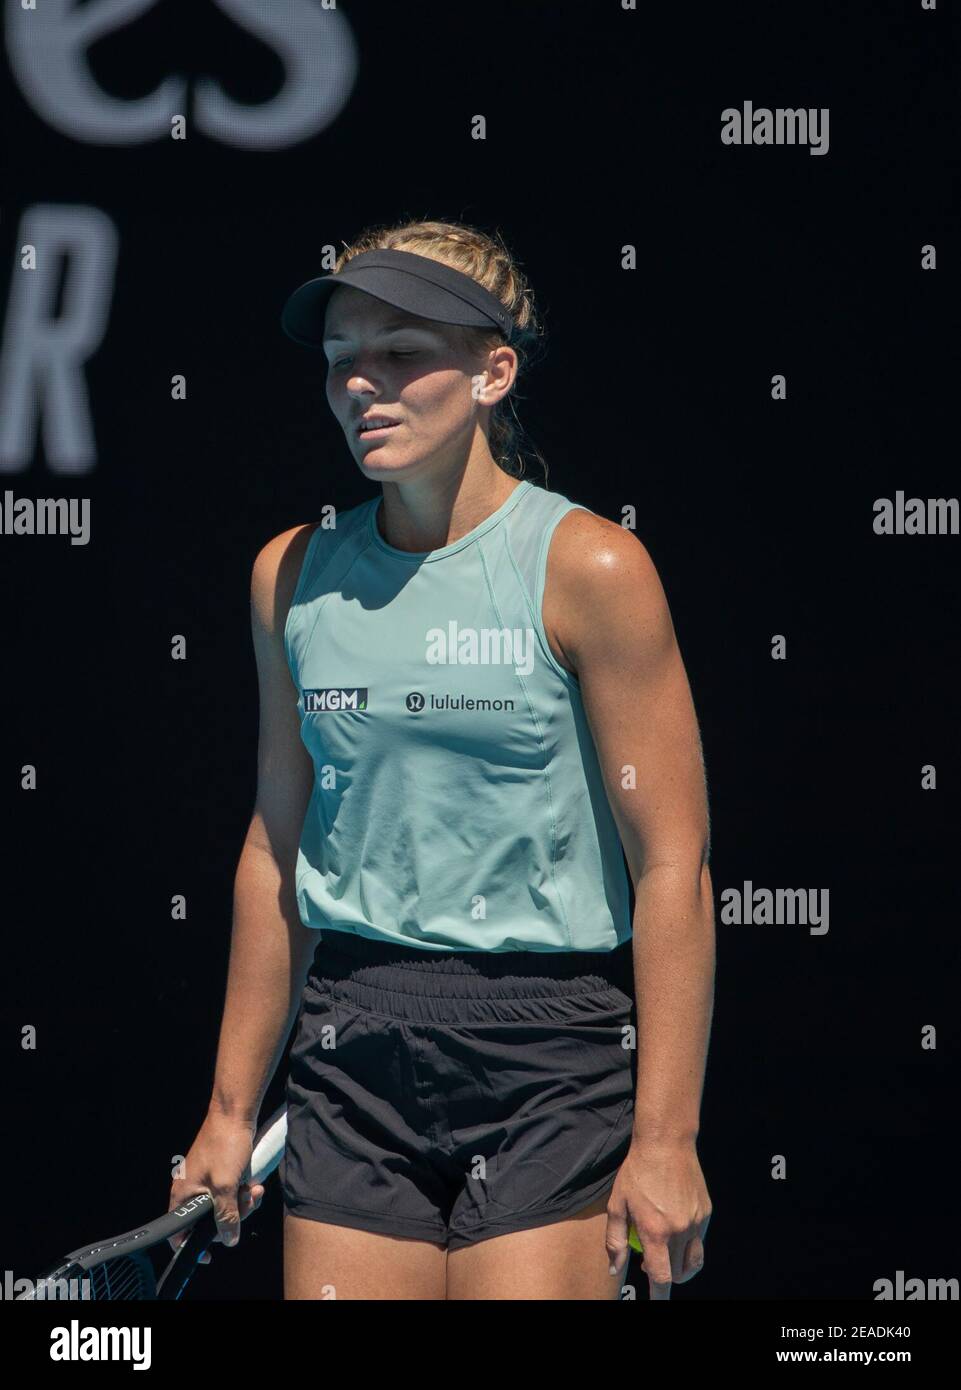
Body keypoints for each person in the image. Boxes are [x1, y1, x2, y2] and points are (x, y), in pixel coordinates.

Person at [169, 218, 714, 1300]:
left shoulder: (592, 566)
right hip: (350, 1050)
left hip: (551, 1058)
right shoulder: (289, 575)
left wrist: (666, 1139)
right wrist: (230, 1110)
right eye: (340, 362)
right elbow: (278, 845)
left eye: (402, 353)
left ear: (490, 371)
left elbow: (674, 866)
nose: (362, 385)